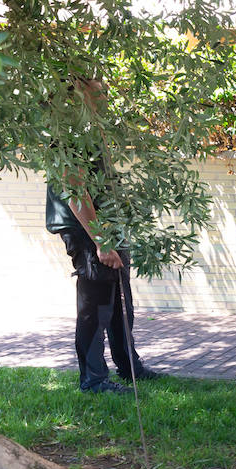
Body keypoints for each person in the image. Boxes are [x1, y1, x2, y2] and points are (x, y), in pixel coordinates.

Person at [44, 77, 160, 395]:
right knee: (96, 306)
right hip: (86, 230)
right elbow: (75, 190)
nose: (106, 98)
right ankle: (94, 380)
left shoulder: (91, 132)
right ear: (80, 97)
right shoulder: (67, 135)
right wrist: (101, 241)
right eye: (99, 92)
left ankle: (129, 367)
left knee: (122, 303)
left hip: (106, 227)